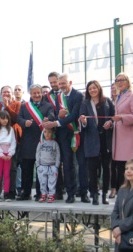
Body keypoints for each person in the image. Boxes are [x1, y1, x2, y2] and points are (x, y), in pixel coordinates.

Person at [43, 73, 83, 204]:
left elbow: (74, 115)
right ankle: (70, 193)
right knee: (67, 164)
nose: (61, 86)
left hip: (76, 133)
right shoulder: (58, 97)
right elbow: (58, 115)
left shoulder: (78, 95)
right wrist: (56, 117)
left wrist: (56, 123)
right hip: (63, 135)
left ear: (69, 82)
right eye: (60, 84)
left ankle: (84, 192)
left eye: (63, 83)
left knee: (81, 164)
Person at [16, 84, 55, 201]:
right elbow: (19, 118)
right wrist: (24, 123)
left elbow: (52, 116)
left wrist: (48, 119)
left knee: (41, 171)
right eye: (34, 93)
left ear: (42, 93)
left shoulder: (48, 106)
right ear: (30, 94)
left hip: (42, 142)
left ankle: (40, 193)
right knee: (26, 170)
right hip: (27, 143)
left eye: (39, 92)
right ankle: (25, 193)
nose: (37, 95)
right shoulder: (24, 106)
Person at [79, 80, 114, 205]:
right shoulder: (85, 103)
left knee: (106, 168)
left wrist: (110, 122)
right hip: (91, 141)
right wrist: (83, 121)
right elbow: (82, 122)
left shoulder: (107, 101)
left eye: (94, 88)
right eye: (90, 89)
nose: (92, 90)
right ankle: (94, 194)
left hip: (105, 139)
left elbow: (113, 117)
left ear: (99, 88)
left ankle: (104, 194)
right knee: (92, 170)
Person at [112, 73, 133, 193]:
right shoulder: (119, 96)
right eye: (117, 80)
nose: (119, 82)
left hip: (130, 136)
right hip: (120, 136)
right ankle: (123, 192)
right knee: (121, 167)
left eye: (122, 80)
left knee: (131, 165)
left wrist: (121, 118)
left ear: (128, 81)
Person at [44, 71, 64, 200]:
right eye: (50, 83)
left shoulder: (65, 94)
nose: (53, 85)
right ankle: (54, 190)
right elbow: (48, 111)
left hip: (65, 130)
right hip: (52, 132)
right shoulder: (47, 97)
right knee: (52, 163)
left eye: (55, 82)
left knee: (65, 162)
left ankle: (66, 190)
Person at [0, 111, 17, 201]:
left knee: (7, 174)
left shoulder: (11, 129)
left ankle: (6, 193)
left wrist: (10, 153)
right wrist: (1, 154)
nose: (4, 120)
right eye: (2, 118)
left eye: (6, 118)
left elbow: (13, 142)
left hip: (8, 154)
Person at [36, 128, 60, 203]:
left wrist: (56, 165)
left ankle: (51, 195)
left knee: (52, 181)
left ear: (52, 133)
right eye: (45, 132)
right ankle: (43, 194)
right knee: (42, 182)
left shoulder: (55, 143)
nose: (47, 134)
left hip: (52, 166)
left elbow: (58, 154)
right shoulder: (41, 142)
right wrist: (38, 165)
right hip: (42, 166)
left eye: (49, 132)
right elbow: (37, 153)